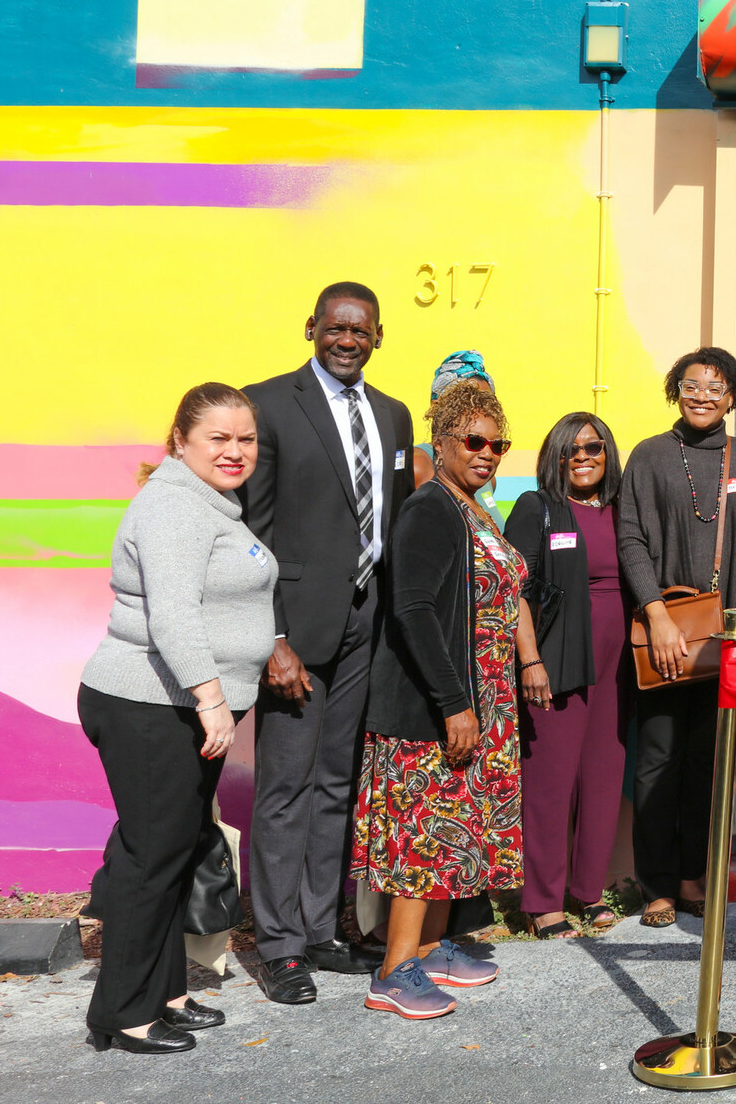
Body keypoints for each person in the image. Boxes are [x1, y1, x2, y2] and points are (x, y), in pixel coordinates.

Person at [77, 384, 275, 1054]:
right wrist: (211, 698)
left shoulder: (207, 502)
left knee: (173, 850)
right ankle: (124, 1013)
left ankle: (164, 991)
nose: (234, 450)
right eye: (218, 437)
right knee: (150, 857)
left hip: (172, 705)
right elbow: (173, 614)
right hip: (149, 703)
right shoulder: (171, 506)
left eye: (245, 438)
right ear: (180, 440)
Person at [238, 282, 414, 1003]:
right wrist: (271, 634)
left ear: (378, 335)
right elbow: (253, 531)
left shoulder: (394, 415)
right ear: (312, 326)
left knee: (338, 780)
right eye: (336, 327)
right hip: (296, 628)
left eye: (361, 329)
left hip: (365, 624)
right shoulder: (269, 405)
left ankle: (317, 928)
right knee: (284, 786)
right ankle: (278, 946)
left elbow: (393, 519)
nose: (348, 338)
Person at [352, 383, 525, 1020]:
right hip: (435, 701)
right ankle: (394, 973)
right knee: (422, 835)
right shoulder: (429, 508)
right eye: (473, 442)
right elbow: (414, 609)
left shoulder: (475, 510)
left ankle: (429, 948)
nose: (486, 454)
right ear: (443, 443)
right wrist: (454, 700)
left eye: (497, 444)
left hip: (483, 697)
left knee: (457, 831)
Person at [618, 347, 736, 928]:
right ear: (675, 390)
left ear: (733, 395)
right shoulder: (649, 455)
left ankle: (695, 877)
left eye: (716, 387)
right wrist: (656, 613)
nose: (703, 396)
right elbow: (631, 538)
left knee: (707, 760)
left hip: (729, 634)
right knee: (658, 757)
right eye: (692, 385)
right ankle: (658, 885)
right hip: (667, 633)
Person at [502, 413, 630, 939]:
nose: (582, 457)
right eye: (570, 450)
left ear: (608, 453)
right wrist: (529, 660)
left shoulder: (624, 511)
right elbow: (514, 590)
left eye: (594, 447)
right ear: (553, 457)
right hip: (558, 659)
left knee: (604, 777)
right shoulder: (539, 509)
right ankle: (543, 901)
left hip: (619, 663)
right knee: (551, 783)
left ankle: (588, 891)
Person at [409, 352, 498, 512]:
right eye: (467, 401)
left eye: (487, 402)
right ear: (437, 406)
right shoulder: (418, 465)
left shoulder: (485, 476)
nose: (480, 410)